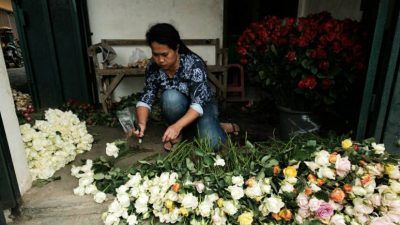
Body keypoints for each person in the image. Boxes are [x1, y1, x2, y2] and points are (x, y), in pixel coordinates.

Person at [131, 23, 238, 151]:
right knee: (170, 97)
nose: (160, 60)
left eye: (165, 55)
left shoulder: (194, 64)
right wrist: (141, 124)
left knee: (212, 144)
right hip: (177, 107)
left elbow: (198, 105)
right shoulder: (153, 67)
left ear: (176, 48)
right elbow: (146, 97)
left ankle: (212, 125)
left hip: (202, 107)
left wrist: (176, 126)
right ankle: (182, 131)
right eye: (156, 54)